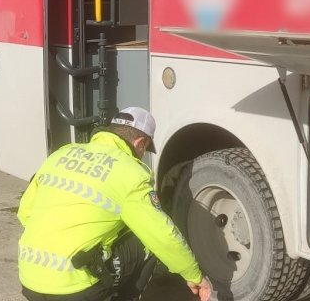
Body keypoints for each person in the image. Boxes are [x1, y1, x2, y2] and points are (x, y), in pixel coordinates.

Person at [17, 107, 212, 301]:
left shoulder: (60, 155)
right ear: (140, 143)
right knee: (146, 236)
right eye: (145, 150)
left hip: (29, 278)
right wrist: (194, 275)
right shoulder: (130, 173)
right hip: (76, 288)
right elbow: (162, 234)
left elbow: (25, 213)